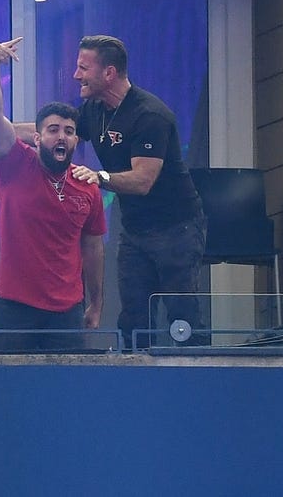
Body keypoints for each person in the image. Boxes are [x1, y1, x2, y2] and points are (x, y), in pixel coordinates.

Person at [67, 35, 207, 347]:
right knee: (133, 318)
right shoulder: (95, 110)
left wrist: (98, 177)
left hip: (176, 228)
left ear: (109, 73)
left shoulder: (149, 115)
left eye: (82, 68)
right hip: (134, 231)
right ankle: (136, 388)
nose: (76, 75)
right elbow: (54, 128)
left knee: (182, 318)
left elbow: (144, 181)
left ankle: (194, 383)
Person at [0, 37, 106, 351]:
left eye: (68, 131)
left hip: (66, 311)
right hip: (14, 307)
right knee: (11, 394)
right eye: (53, 130)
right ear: (37, 138)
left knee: (64, 396)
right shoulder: (15, 164)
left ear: (77, 140)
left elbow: (93, 248)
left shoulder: (86, 184)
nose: (61, 136)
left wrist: (97, 302)